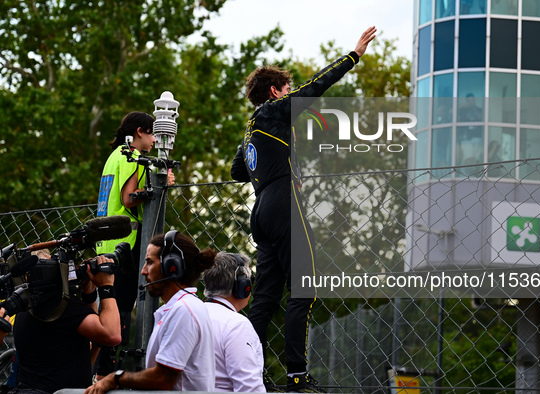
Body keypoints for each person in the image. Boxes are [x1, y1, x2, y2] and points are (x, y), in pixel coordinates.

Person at [231, 26, 377, 393]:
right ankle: (297, 376)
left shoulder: (250, 129)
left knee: (264, 300)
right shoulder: (273, 112)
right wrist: (353, 55)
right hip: (283, 203)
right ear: (275, 91)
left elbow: (237, 171)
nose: (289, 94)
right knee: (303, 291)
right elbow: (315, 88)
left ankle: (250, 371)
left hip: (260, 211)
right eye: (285, 89)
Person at [85, 231, 216, 393]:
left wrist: (115, 377)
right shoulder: (184, 307)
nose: (143, 271)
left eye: (149, 262)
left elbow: (163, 378)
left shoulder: (184, 310)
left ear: (171, 267)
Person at [96, 111, 175, 377]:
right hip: (124, 246)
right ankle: (105, 373)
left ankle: (97, 371)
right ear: (140, 132)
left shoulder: (114, 156)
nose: (154, 140)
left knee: (104, 309)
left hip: (104, 244)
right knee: (118, 313)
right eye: (153, 133)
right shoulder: (133, 157)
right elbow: (130, 198)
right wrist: (161, 183)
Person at [11, 255, 121, 393]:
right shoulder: (64, 309)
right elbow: (112, 335)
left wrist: (89, 294)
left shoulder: (27, 307)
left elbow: (89, 336)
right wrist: (106, 286)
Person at [202, 252, 265, 393]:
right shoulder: (236, 325)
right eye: (250, 280)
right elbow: (249, 389)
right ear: (243, 286)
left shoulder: (189, 315)